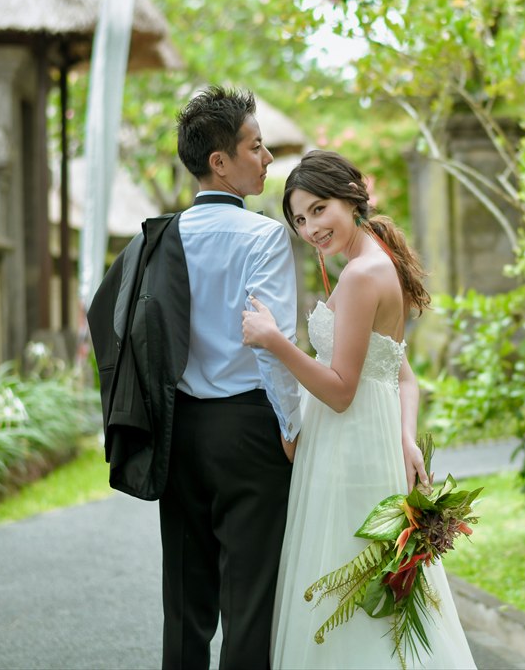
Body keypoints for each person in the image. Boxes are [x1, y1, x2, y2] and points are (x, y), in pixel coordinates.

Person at [241, 150, 477, 669]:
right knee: (365, 581)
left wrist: (274, 342)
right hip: (368, 439)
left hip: (348, 443)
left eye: (319, 209)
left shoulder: (361, 275)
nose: (310, 228)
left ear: (351, 195)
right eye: (300, 219)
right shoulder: (376, 262)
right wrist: (406, 436)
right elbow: (402, 374)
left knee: (346, 574)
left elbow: (343, 389)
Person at [162, 86, 301, 670]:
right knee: (251, 599)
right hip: (249, 427)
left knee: (185, 601)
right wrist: (291, 428)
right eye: (257, 146)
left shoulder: (159, 237)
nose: (267, 159)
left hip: (178, 430)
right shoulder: (265, 236)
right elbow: (273, 343)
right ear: (220, 161)